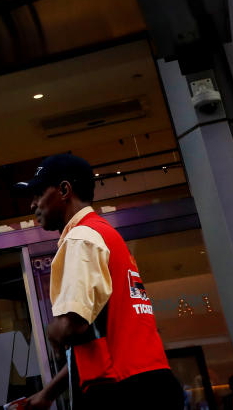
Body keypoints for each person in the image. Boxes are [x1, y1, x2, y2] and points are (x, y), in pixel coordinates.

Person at [17, 154, 182, 410]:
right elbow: (95, 339)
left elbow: (74, 325)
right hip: (149, 381)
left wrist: (53, 332)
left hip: (124, 391)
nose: (32, 204)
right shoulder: (104, 234)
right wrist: (49, 393)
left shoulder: (81, 238)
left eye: (38, 193)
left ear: (64, 190)